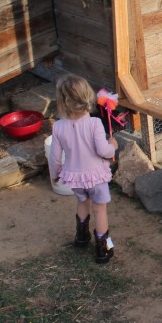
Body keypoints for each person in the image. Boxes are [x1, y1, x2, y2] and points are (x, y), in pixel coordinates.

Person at [49, 74, 119, 264]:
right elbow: (103, 151)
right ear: (87, 97)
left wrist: (54, 175)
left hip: (76, 178)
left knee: (82, 203)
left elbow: (55, 157)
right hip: (96, 176)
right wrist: (112, 145)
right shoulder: (94, 123)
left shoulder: (58, 127)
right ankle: (104, 248)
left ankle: (81, 237)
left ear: (62, 102)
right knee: (100, 210)